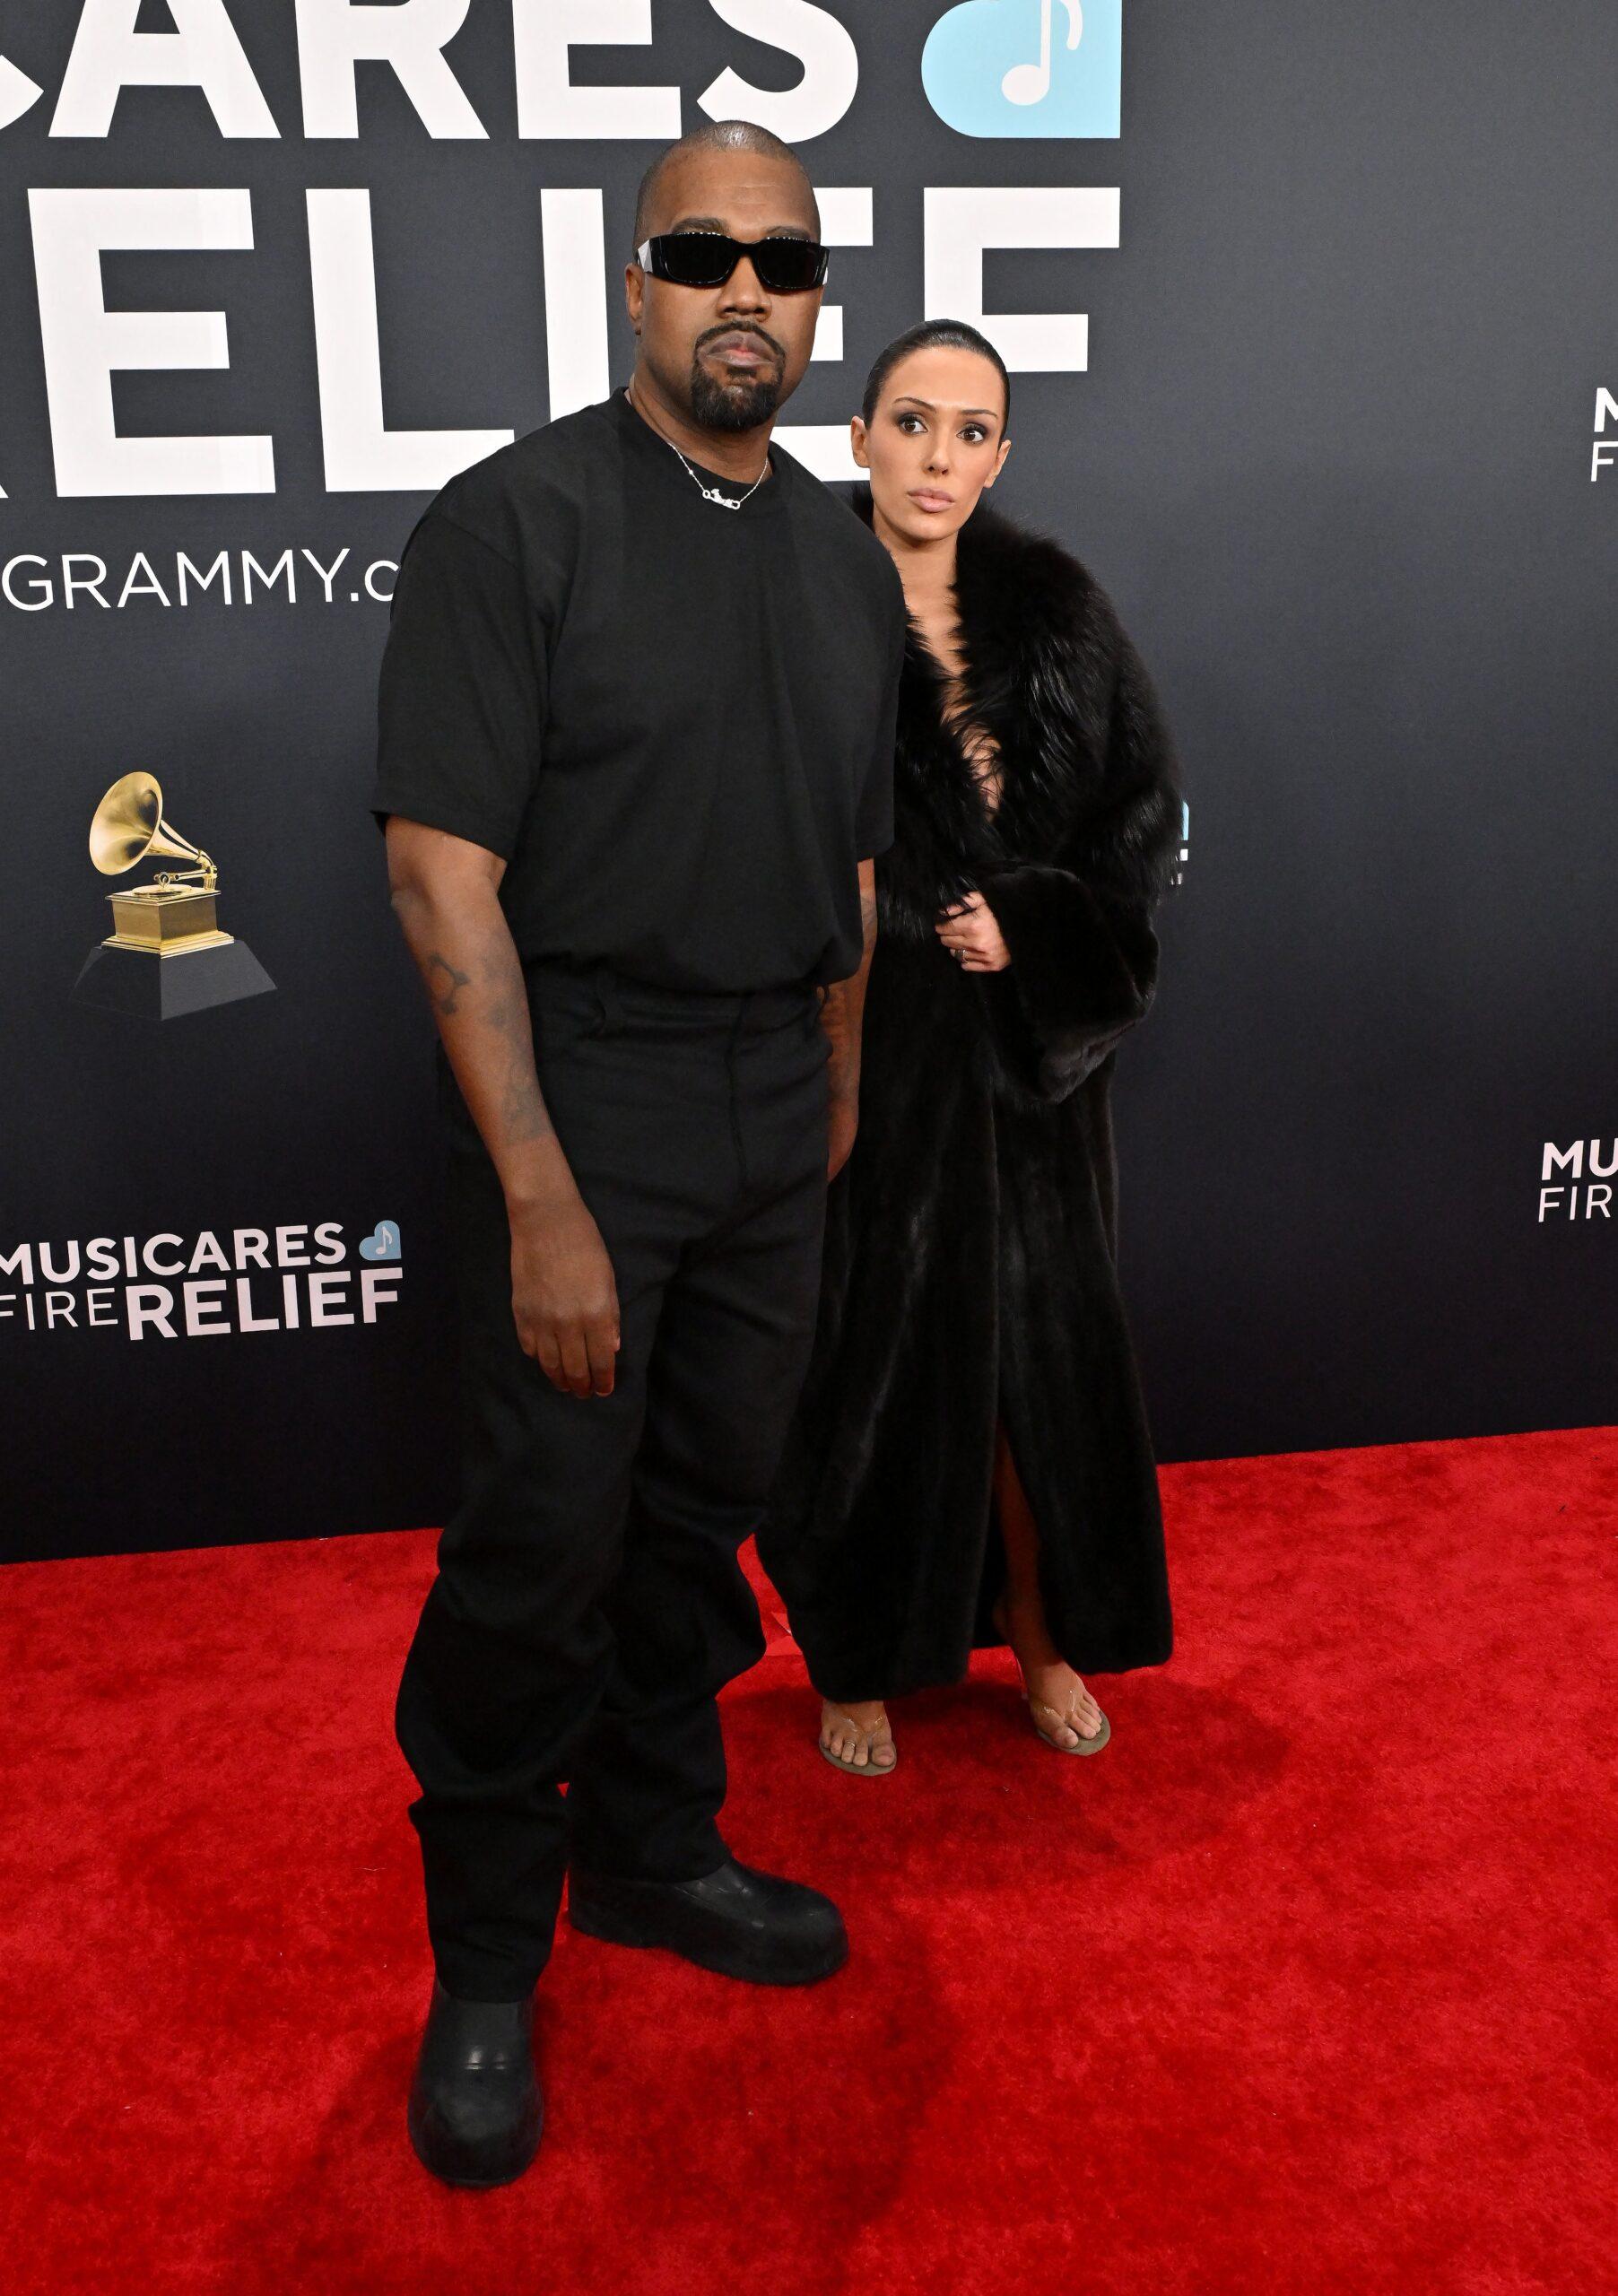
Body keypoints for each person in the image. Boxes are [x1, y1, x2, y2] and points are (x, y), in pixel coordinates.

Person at [370, 123, 907, 2187]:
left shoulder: (843, 555)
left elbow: (851, 856)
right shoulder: (514, 524)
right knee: (543, 1543)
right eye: (704, 254)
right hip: (587, 1103)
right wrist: (536, 1191)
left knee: (700, 1516)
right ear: (634, 282)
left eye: (783, 261)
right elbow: (441, 879)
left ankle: (653, 1849)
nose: (746, 292)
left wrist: (839, 1080)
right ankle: (491, 1950)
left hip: (780, 1098)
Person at [756, 320, 1182, 1778]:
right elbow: (724, 810)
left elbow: (1137, 830)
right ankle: (857, 1653)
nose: (940, 457)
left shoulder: (1059, 610)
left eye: (973, 431)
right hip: (866, 1048)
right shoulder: (787, 589)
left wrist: (1036, 927)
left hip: (1035, 1073)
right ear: (858, 433)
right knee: (871, 1362)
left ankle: (1044, 1637)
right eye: (914, 423)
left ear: (1003, 453)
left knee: (1040, 1366)